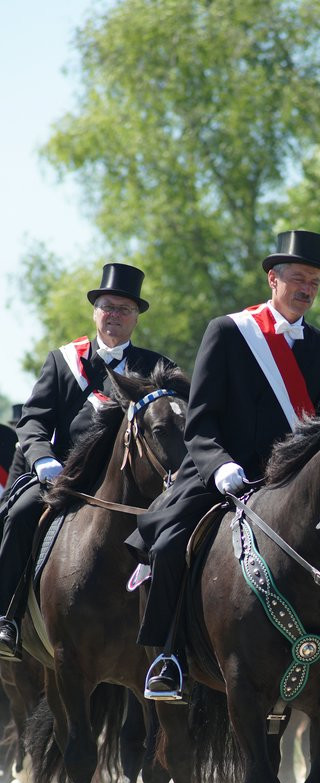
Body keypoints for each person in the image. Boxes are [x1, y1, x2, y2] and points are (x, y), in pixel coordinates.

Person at [130, 230, 320, 700]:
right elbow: (200, 423)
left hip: (295, 483)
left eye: (315, 281)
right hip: (226, 473)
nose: (307, 288)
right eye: (298, 279)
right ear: (273, 278)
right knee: (168, 548)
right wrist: (220, 466)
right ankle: (169, 656)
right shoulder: (228, 331)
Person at [0, 264, 171, 661]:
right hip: (64, 477)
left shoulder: (154, 367)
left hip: (133, 483)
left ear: (136, 317)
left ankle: (175, 635)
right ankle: (6, 614)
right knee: (20, 512)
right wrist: (42, 460)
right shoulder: (63, 361)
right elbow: (33, 420)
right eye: (108, 306)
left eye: (125, 309)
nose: (115, 316)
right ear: (95, 311)